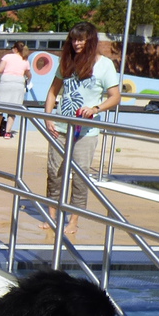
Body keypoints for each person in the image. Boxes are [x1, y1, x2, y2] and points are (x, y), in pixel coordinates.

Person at [44, 22, 121, 236]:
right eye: (74, 39)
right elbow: (52, 92)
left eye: (81, 39)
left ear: (91, 40)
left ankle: (74, 219)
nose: (77, 43)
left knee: (80, 176)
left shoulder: (104, 65)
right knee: (54, 172)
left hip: (85, 132)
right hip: (60, 128)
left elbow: (115, 96)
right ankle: (51, 214)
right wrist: (48, 117)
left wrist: (96, 108)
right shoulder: (66, 61)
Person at [0, 41, 31, 137]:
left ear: (15, 49)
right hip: (18, 84)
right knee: (13, 109)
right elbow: (28, 74)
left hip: (6, 82)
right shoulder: (25, 60)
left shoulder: (8, 57)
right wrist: (28, 80)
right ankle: (8, 132)